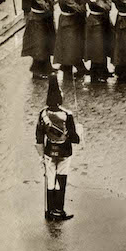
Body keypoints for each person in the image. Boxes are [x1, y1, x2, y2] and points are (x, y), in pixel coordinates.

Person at [34, 73, 81, 221]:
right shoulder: (67, 115)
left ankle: (49, 210)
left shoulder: (43, 114)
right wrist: (79, 133)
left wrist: (41, 155)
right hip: (64, 152)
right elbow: (74, 138)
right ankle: (59, 210)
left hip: (49, 151)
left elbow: (39, 136)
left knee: (50, 179)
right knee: (61, 179)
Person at [21, 0, 56, 78]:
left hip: (44, 20)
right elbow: (46, 7)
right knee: (38, 45)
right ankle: (36, 72)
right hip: (36, 21)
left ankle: (47, 67)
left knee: (46, 44)